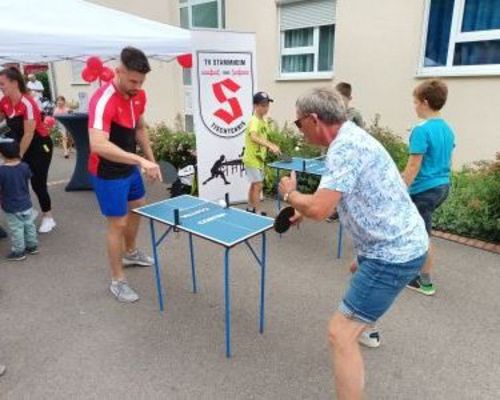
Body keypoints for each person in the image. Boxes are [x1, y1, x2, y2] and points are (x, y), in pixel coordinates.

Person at [278, 88, 428, 400]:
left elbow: (320, 209)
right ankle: (368, 326)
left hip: (393, 253)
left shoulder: (344, 147)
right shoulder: (352, 137)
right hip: (394, 245)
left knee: (340, 333)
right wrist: (303, 209)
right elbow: (330, 201)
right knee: (356, 278)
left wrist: (291, 195)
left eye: (297, 123)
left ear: (314, 119)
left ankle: (364, 327)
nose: (299, 129)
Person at [88, 47, 161, 303]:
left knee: (138, 207)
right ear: (118, 71)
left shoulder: (139, 95)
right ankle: (117, 281)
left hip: (129, 165)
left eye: (141, 82)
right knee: (117, 223)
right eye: (132, 81)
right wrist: (140, 160)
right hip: (107, 170)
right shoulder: (102, 99)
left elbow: (140, 128)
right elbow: (98, 144)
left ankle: (130, 252)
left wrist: (151, 160)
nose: (137, 87)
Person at [402, 79, 455, 296]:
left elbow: (414, 165)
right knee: (416, 230)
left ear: (424, 102)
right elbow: (448, 161)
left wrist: (400, 188)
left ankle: (424, 282)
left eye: (415, 102)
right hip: (442, 186)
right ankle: (410, 270)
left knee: (423, 235)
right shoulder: (448, 129)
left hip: (424, 190)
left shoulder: (421, 130)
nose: (414, 106)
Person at [0, 67, 56, 233]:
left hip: (40, 146)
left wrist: (17, 158)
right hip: (22, 145)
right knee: (18, 180)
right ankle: (29, 211)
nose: (0, 87)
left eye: (2, 84)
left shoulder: (28, 102)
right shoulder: (4, 102)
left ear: (14, 83)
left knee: (38, 183)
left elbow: (29, 133)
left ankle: (48, 217)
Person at [242, 91, 280, 213]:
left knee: (254, 184)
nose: (266, 108)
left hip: (259, 159)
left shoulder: (263, 121)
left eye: (267, 105)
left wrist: (271, 146)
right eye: (262, 105)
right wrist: (269, 145)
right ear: (255, 106)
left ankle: (250, 207)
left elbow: (261, 138)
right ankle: (257, 212)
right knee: (258, 185)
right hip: (252, 159)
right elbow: (253, 137)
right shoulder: (254, 121)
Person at [0, 141, 38, 260]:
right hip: (26, 203)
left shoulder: (1, 170)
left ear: (2, 154)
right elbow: (28, 176)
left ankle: (19, 251)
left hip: (11, 205)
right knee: (29, 225)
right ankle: (32, 246)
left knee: (16, 229)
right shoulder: (24, 166)